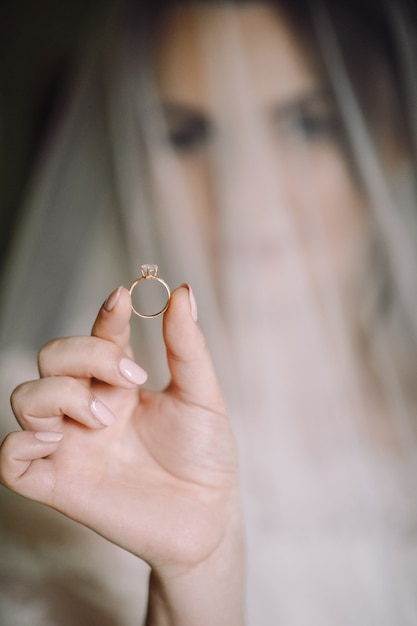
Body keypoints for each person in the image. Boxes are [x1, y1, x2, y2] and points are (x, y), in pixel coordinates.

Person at [1, 0, 417, 623]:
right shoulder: (55, 433)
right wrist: (194, 585)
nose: (243, 194)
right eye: (186, 134)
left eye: (307, 124)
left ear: (390, 142)